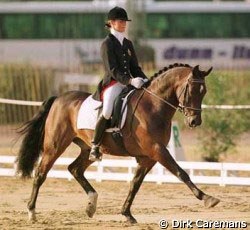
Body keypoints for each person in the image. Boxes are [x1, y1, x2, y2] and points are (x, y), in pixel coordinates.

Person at [89, 6, 148, 161]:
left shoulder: (128, 43)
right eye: (120, 21)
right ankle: (95, 145)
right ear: (111, 22)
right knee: (107, 110)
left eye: (124, 21)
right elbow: (112, 69)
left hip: (129, 83)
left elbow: (135, 67)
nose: (123, 24)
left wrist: (146, 80)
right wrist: (129, 80)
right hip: (113, 83)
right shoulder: (107, 44)